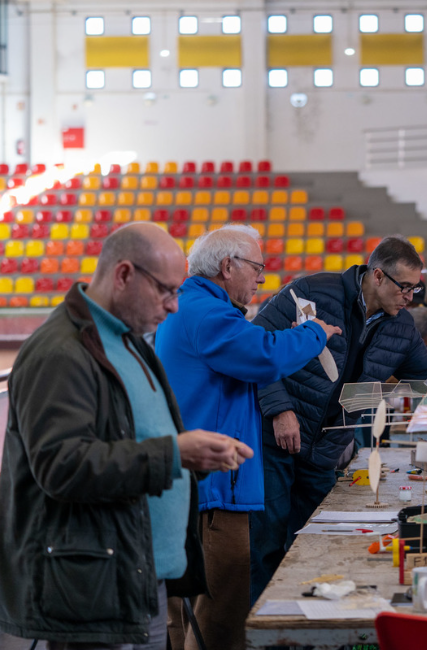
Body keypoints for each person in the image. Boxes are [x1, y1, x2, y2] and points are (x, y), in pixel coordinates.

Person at [0, 223, 252, 649]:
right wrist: (174, 455)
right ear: (124, 275)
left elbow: (136, 439)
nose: (173, 307)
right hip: (92, 587)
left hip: (134, 573)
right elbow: (62, 466)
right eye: (167, 291)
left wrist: (194, 454)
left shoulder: (129, 342)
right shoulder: (60, 353)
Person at [248, 236, 427, 603]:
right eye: (405, 287)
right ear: (378, 276)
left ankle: (307, 626)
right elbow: (255, 345)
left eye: (416, 288)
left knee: (315, 546)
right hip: (277, 440)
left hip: (325, 450)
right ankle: (262, 627)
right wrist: (279, 408)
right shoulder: (310, 292)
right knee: (266, 545)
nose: (410, 297)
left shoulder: (400, 328)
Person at [154, 225, 341, 650]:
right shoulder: (207, 313)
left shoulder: (197, 307)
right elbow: (264, 355)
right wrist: (316, 333)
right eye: (257, 267)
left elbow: (255, 348)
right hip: (214, 490)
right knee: (220, 613)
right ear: (227, 266)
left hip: (200, 485)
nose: (261, 278)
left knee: (189, 618)